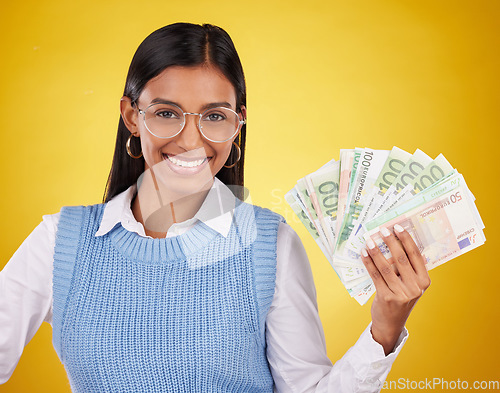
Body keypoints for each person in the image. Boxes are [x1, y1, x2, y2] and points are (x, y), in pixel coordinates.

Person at [0, 22, 430, 392]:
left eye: (215, 116)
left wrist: (385, 329)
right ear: (132, 116)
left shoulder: (270, 244)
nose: (191, 141)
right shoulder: (61, 241)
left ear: (238, 122)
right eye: (167, 114)